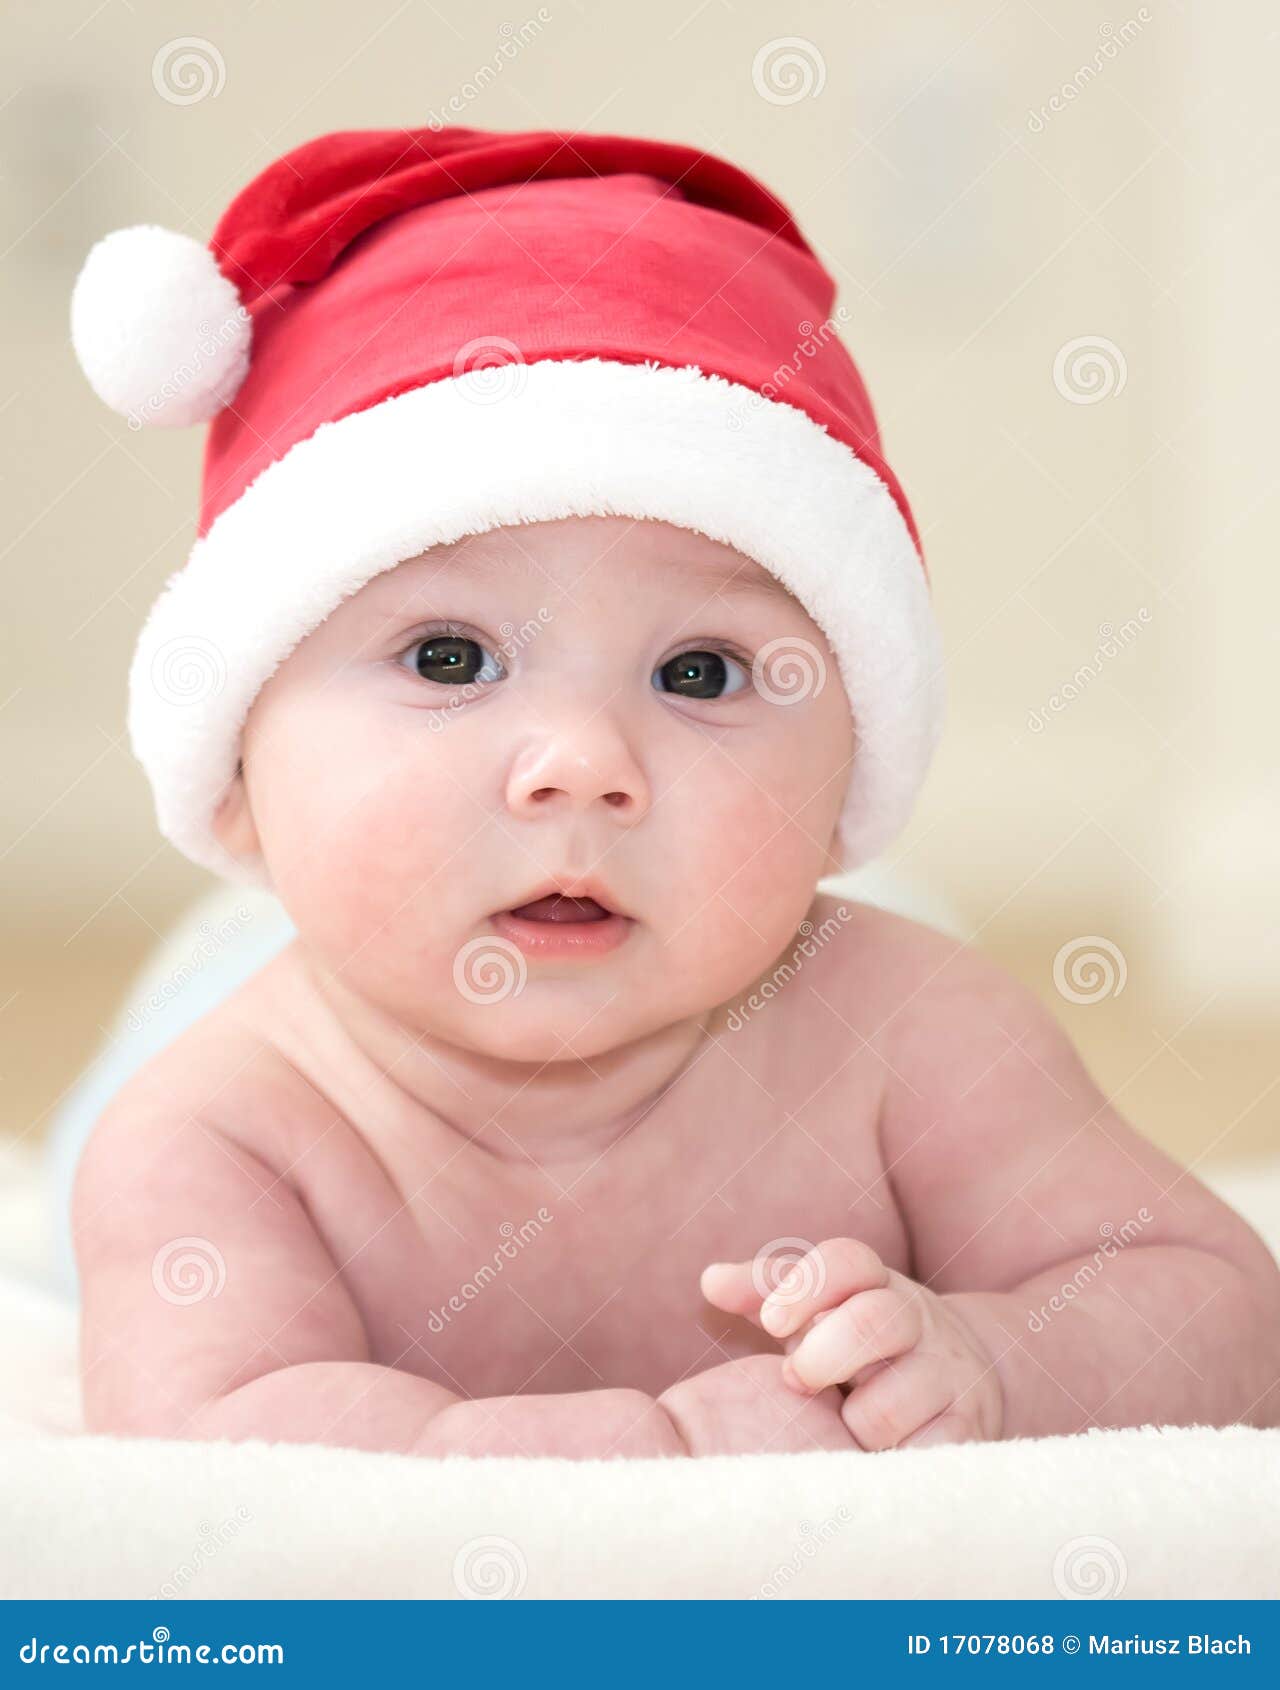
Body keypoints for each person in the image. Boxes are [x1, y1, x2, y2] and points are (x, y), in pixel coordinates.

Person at [62, 125, 1280, 1459]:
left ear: (846, 783)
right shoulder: (215, 1134)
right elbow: (202, 1453)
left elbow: (1216, 1309)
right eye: (449, 656)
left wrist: (993, 1359)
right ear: (232, 777)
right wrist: (609, 1455)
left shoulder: (912, 1031)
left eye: (700, 671)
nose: (582, 761)